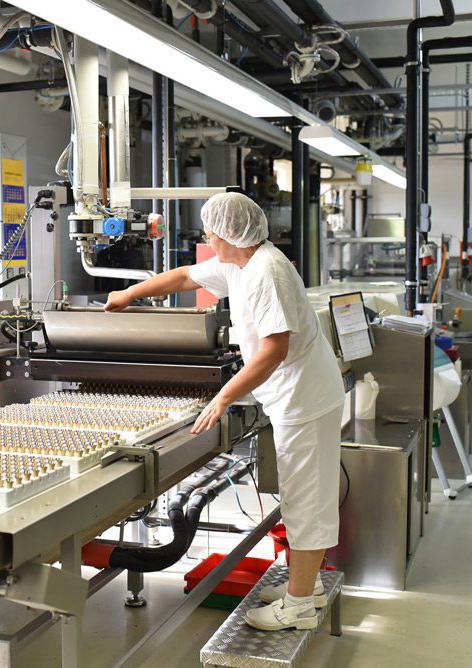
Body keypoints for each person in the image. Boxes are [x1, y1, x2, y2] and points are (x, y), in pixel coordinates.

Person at [104, 192, 344, 631]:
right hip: (294, 396)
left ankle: (298, 607)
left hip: (305, 399)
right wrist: (127, 295)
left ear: (230, 234)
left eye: (210, 230)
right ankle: (302, 585)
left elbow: (275, 349)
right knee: (298, 499)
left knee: (306, 502)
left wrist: (224, 396)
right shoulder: (240, 263)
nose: (206, 236)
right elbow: (182, 278)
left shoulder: (267, 272)